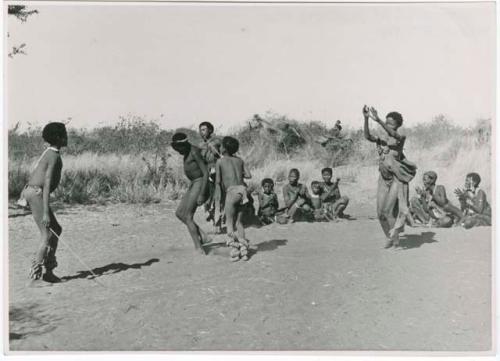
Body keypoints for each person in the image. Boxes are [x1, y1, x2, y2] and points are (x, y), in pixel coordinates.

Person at [18, 122, 67, 286]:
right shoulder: (52, 155)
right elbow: (46, 184)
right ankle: (35, 276)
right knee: (47, 234)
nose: (66, 137)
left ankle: (49, 271)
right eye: (64, 135)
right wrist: (46, 212)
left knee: (57, 229)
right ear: (58, 138)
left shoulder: (51, 153)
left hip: (35, 192)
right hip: (37, 193)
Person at [363, 105, 417, 248]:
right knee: (380, 214)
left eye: (391, 124)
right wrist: (366, 118)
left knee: (387, 211)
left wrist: (379, 120)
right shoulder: (381, 138)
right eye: (387, 123)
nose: (388, 126)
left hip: (396, 179)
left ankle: (396, 242)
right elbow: (367, 136)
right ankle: (390, 237)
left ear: (398, 125)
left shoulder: (401, 136)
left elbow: (394, 135)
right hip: (383, 178)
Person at [171, 132, 211, 254]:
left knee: (187, 216)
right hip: (194, 183)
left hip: (200, 183)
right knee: (179, 213)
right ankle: (204, 236)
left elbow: (205, 173)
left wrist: (202, 194)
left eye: (179, 149)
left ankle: (199, 248)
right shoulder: (188, 151)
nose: (179, 152)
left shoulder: (194, 152)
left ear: (185, 144)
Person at [215, 136, 252, 261]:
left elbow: (218, 182)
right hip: (243, 191)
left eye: (220, 146)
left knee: (229, 222)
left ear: (224, 148)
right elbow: (248, 175)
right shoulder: (239, 161)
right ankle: (244, 250)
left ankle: (234, 250)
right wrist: (237, 173)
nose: (219, 147)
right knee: (239, 223)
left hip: (231, 192)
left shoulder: (220, 161)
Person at [198, 122, 223, 231]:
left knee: (217, 197)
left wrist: (211, 146)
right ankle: (214, 219)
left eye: (204, 129)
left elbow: (222, 155)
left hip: (217, 170)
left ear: (210, 130)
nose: (202, 132)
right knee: (207, 197)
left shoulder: (217, 141)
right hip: (206, 171)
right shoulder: (200, 144)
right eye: (200, 130)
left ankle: (218, 224)